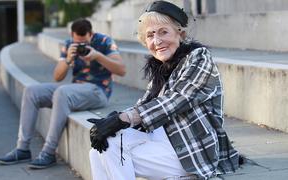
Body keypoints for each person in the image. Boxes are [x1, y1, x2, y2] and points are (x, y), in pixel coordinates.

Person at [87, 1, 239, 179]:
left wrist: (122, 119)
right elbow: (145, 105)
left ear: (180, 34)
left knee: (114, 149)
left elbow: (178, 99)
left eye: (163, 32)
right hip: (164, 141)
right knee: (99, 149)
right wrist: (113, 120)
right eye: (150, 35)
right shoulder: (162, 68)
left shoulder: (199, 58)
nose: (157, 41)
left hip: (191, 151)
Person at [0, 18, 126, 169]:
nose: (81, 47)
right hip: (75, 89)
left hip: (98, 91)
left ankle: (48, 152)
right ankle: (22, 148)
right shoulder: (68, 45)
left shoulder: (104, 41)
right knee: (32, 91)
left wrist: (98, 56)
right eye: (78, 43)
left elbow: (121, 70)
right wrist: (67, 60)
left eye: (84, 43)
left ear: (91, 34)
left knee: (62, 92)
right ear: (72, 35)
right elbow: (57, 77)